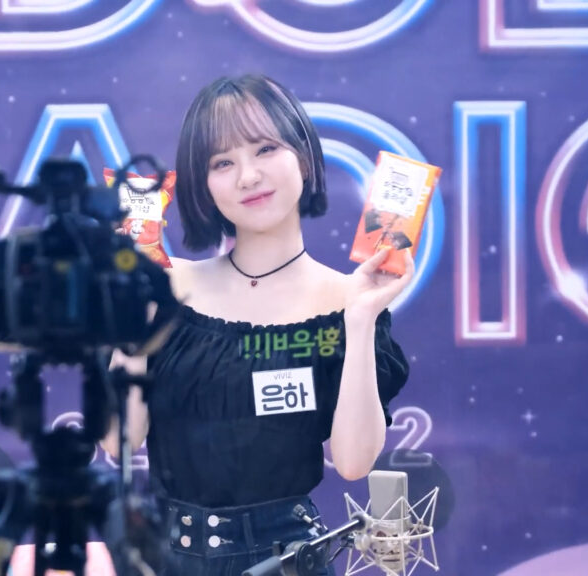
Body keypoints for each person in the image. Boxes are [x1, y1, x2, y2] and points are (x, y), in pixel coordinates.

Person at [105, 74, 413, 576]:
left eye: (265, 149)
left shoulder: (348, 300)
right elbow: (119, 441)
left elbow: (354, 463)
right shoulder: (166, 286)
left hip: (287, 560)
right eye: (222, 163)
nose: (248, 177)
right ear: (203, 185)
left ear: (304, 158)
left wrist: (360, 322)